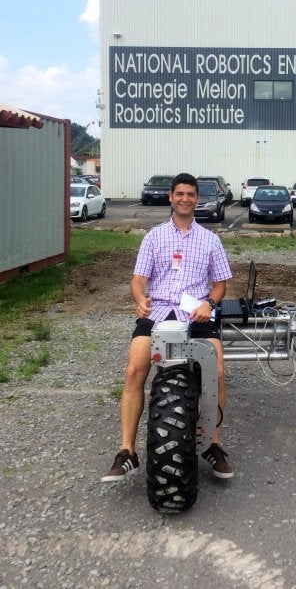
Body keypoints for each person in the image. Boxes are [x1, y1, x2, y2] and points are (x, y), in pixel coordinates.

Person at [101, 172, 234, 482]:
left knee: (216, 372)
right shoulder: (154, 237)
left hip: (196, 315)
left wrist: (209, 305)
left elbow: (220, 285)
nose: (185, 198)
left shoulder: (210, 240)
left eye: (191, 194)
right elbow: (138, 281)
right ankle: (127, 452)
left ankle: (213, 444)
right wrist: (139, 299)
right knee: (134, 370)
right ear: (171, 197)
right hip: (159, 311)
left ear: (197, 199)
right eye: (180, 194)